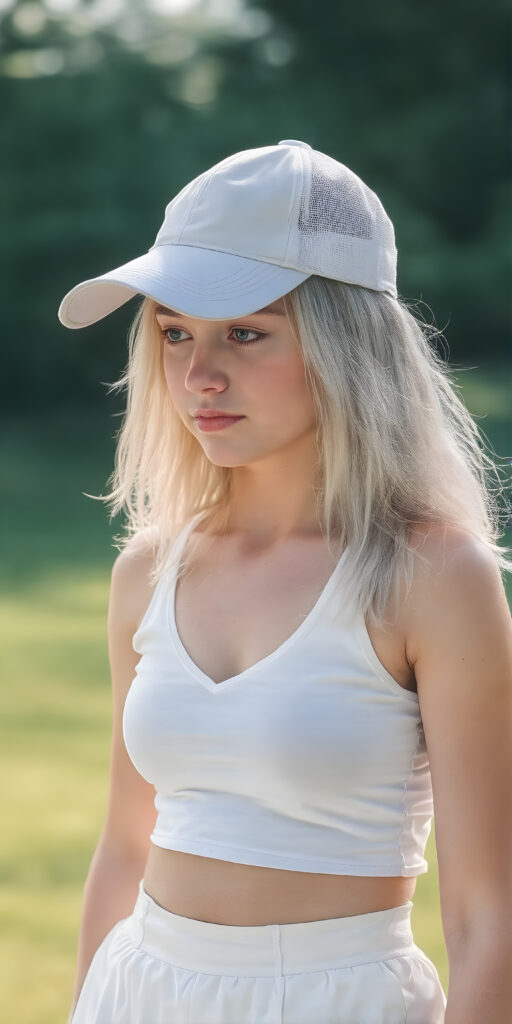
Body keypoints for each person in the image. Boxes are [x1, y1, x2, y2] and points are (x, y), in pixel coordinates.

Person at [58, 140, 512, 1023]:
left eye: (246, 333)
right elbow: (124, 850)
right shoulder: (147, 571)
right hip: (138, 991)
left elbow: (489, 916)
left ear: (347, 344)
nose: (199, 376)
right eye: (175, 333)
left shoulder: (431, 576)